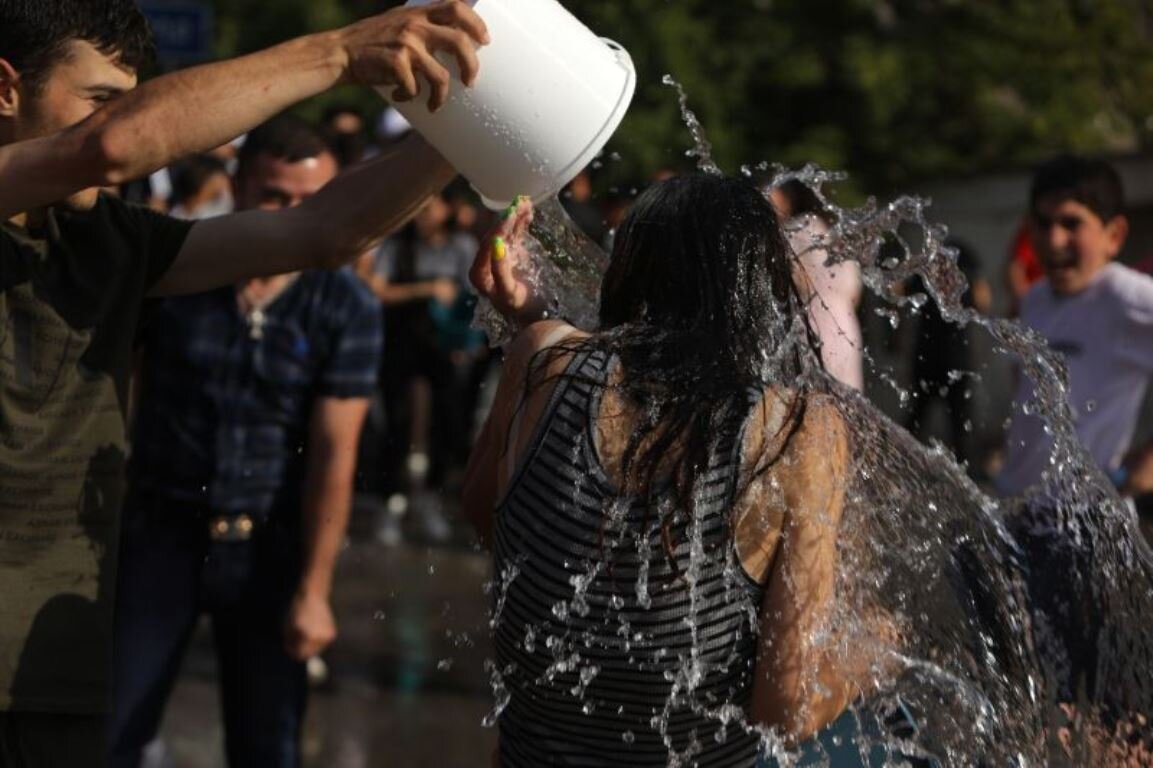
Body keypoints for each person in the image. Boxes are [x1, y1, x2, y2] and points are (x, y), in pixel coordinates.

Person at [0, 0, 487, 762]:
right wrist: (337, 52)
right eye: (99, 94)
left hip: (56, 661)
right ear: (5, 90)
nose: (118, 115)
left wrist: (470, 127)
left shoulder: (110, 238)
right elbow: (113, 147)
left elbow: (320, 233)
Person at [463, 175, 868, 766]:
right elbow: (785, 709)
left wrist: (534, 325)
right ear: (759, 289)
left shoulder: (542, 357)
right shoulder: (797, 430)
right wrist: (872, 651)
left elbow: (484, 516)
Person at [109, 116, 380, 767]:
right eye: (273, 197)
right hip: (161, 534)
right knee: (112, 728)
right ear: (237, 184)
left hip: (268, 545)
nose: (290, 217)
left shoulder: (342, 303)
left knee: (267, 742)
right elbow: (122, 396)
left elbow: (333, 455)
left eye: (308, 202)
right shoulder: (182, 272)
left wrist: (315, 590)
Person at [998, 155, 1153, 499]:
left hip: (1084, 517)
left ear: (1114, 236)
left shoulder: (1124, 297)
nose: (1054, 240)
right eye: (1042, 222)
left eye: (1072, 223)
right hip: (1017, 503)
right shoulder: (1035, 298)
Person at [356, 192, 479, 544]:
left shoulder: (460, 245)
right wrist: (424, 290)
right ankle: (390, 500)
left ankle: (430, 497)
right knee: (398, 419)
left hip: (444, 347)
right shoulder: (399, 247)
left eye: (430, 208)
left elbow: (473, 296)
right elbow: (378, 289)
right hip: (402, 344)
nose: (424, 216)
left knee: (446, 420)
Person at [768, 179, 864, 390]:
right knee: (846, 402)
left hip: (813, 322)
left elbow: (787, 284)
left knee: (812, 401)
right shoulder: (834, 232)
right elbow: (854, 291)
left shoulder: (796, 231)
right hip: (846, 323)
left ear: (790, 198)